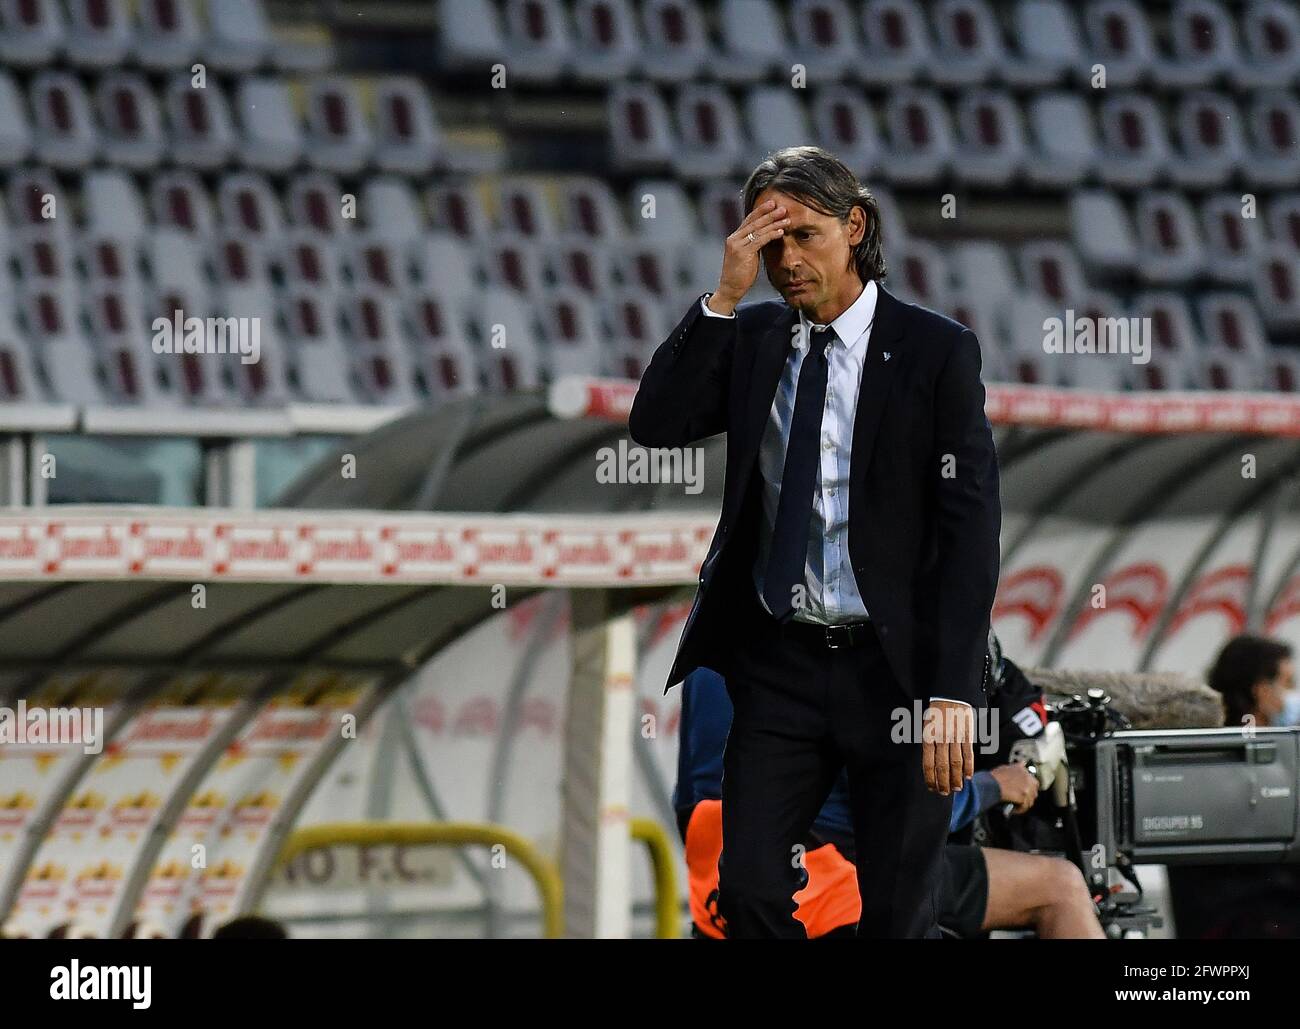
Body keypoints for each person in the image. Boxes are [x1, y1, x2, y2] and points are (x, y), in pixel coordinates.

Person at [629, 145, 1001, 938]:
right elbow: (655, 424)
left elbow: (970, 530)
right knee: (750, 893)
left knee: (900, 915)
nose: (786, 260)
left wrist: (952, 692)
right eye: (770, 243)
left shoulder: (936, 351)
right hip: (781, 669)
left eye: (803, 236)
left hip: (894, 672)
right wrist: (723, 297)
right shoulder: (756, 336)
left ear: (855, 225)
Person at [676, 664, 1103, 940]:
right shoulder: (849, 651)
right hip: (837, 877)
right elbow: (908, 811)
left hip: (721, 886)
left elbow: (690, 798)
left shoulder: (709, 659)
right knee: (1059, 885)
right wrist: (995, 786)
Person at [1166, 635, 1300, 938]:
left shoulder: (1219, 751)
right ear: (1261, 690)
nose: (1292, 694)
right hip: (1243, 921)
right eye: (1288, 683)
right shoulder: (1235, 760)